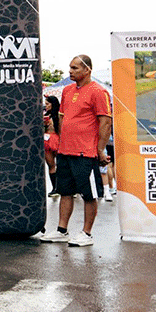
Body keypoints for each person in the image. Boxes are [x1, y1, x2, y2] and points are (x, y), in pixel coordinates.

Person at [40, 54, 111, 247]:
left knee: (89, 194)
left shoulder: (98, 92)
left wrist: (101, 150)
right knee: (65, 191)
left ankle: (86, 234)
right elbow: (62, 118)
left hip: (85, 153)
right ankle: (62, 230)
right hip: (66, 151)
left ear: (87, 69)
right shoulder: (68, 90)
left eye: (74, 68)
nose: (70, 71)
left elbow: (105, 122)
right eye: (70, 68)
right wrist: (63, 140)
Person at [44, 95, 61, 198]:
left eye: (47, 104)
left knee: (61, 164)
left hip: (57, 140)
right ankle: (54, 188)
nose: (46, 106)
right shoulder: (46, 115)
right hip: (47, 141)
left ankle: (63, 187)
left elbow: (60, 130)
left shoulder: (58, 115)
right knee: (51, 165)